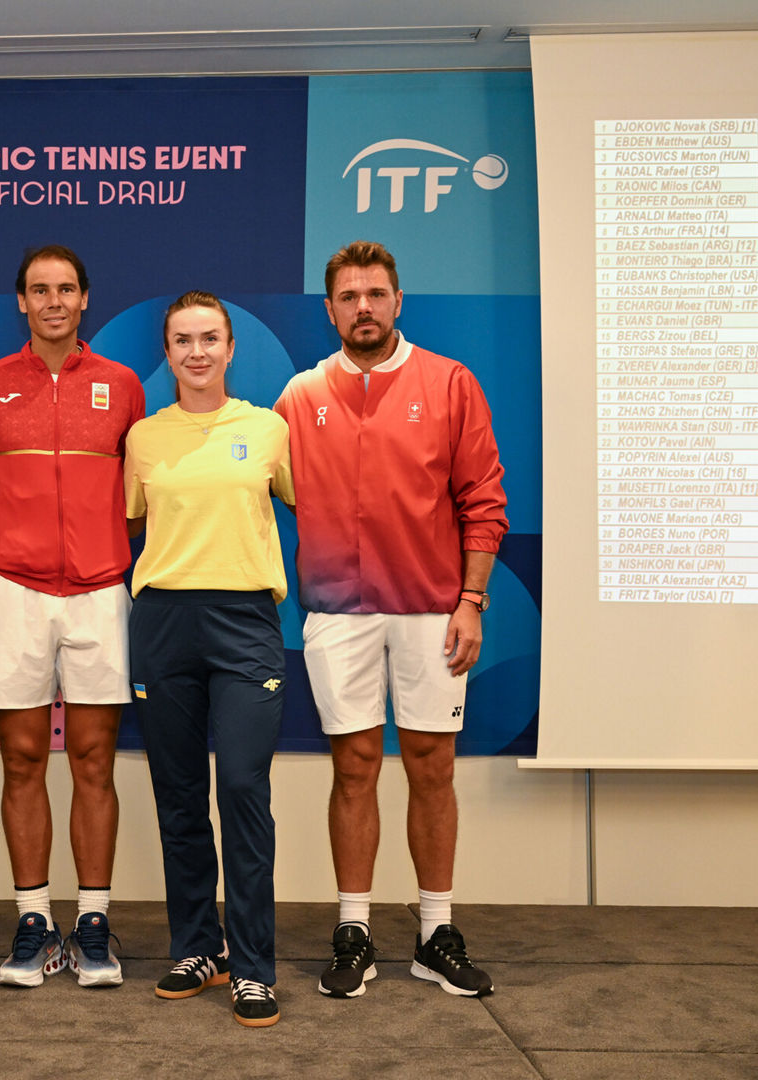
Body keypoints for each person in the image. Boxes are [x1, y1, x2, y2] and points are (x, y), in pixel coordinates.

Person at [273, 241, 507, 999]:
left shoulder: (448, 383)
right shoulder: (298, 397)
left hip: (432, 612)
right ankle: (355, 929)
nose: (364, 307)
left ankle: (435, 930)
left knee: (433, 767)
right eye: (349, 296)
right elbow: (271, 487)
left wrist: (470, 601)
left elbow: (483, 501)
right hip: (337, 615)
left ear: (398, 301)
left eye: (377, 293)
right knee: (354, 768)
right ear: (331, 309)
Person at [0, 245, 145, 988]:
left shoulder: (123, 385)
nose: (54, 301)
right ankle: (35, 922)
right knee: (24, 760)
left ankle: (93, 922)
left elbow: (145, 485)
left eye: (66, 288)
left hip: (101, 592)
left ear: (86, 298)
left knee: (96, 761)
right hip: (16, 592)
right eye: (40, 290)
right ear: (21, 303)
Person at [126, 291, 294, 1028]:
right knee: (179, 793)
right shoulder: (142, 437)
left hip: (245, 621)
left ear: (231, 348)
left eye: (210, 339)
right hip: (164, 620)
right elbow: (136, 519)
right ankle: (198, 946)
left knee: (245, 791)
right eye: (183, 340)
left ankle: (254, 966)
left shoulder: (269, 429)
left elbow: (304, 505)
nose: (197, 352)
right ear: (167, 352)